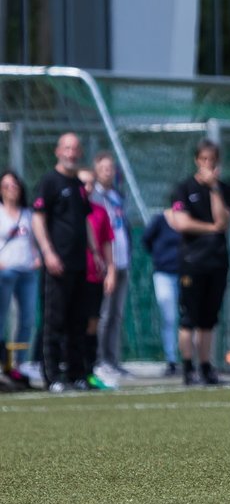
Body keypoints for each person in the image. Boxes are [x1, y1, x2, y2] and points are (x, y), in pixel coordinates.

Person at [166, 139, 230, 386]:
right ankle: (187, 368)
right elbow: (182, 222)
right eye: (204, 159)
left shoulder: (224, 189)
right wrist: (211, 228)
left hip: (217, 261)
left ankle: (206, 367)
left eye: (213, 159)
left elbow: (223, 221)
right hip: (192, 261)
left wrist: (214, 189)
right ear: (197, 160)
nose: (209, 164)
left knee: (209, 318)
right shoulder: (183, 188)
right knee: (189, 318)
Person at [31, 133, 96, 392]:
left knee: (77, 322)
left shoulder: (80, 185)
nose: (71, 153)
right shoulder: (49, 181)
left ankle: (76, 373)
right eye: (67, 148)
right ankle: (52, 376)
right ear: (58, 151)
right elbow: (38, 218)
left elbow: (86, 221)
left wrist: (97, 254)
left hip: (79, 264)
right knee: (54, 321)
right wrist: (48, 252)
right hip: (57, 264)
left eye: (75, 149)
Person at [89, 152, 131, 377]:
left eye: (111, 168)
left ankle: (112, 359)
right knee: (103, 315)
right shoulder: (93, 196)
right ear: (96, 171)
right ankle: (98, 359)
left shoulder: (117, 196)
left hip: (123, 260)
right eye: (104, 168)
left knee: (116, 314)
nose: (108, 172)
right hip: (106, 264)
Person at [0, 171, 41, 388]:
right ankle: (3, 365)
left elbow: (34, 240)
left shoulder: (28, 214)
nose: (11, 190)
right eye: (6, 186)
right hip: (5, 272)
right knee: (2, 318)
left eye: (14, 185)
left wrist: (37, 257)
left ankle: (20, 364)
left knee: (27, 319)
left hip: (27, 272)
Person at [78, 168, 118, 390]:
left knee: (93, 323)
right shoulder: (68, 210)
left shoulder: (100, 212)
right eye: (83, 183)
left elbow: (106, 243)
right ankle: (70, 370)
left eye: (91, 183)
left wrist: (111, 270)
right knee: (72, 324)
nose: (87, 188)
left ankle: (89, 370)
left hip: (94, 275)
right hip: (73, 275)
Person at [142, 210, 182, 376]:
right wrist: (160, 256)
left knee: (188, 317)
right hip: (164, 273)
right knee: (169, 316)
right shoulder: (160, 220)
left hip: (185, 274)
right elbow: (146, 240)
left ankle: (192, 359)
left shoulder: (190, 219)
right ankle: (171, 359)